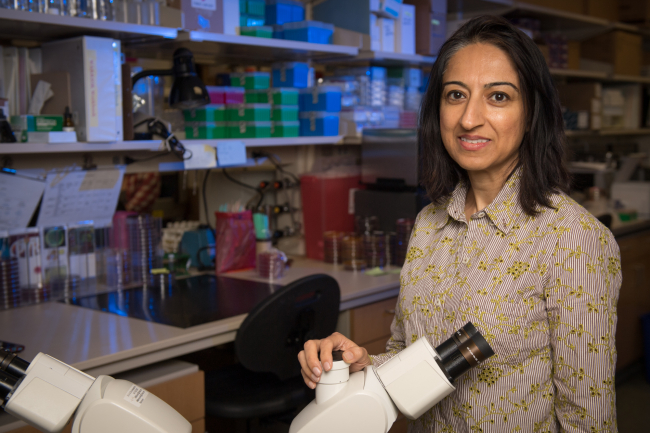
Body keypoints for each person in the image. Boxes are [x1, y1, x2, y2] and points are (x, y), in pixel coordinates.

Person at [298, 15, 622, 432]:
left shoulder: (572, 240)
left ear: (532, 111)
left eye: (498, 97)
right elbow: (408, 354)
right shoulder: (429, 222)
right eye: (455, 95)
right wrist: (363, 365)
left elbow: (589, 418)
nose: (469, 118)